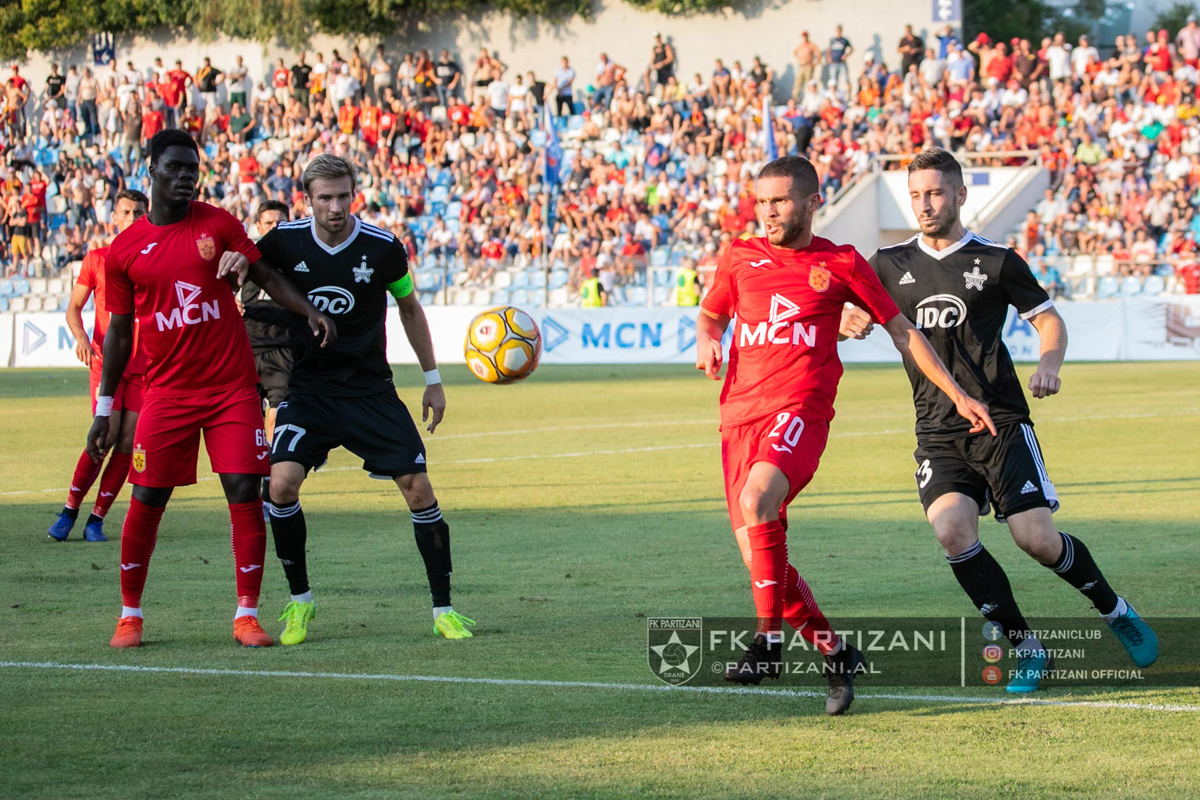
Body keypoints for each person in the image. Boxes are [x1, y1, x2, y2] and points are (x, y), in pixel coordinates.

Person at [694, 155, 995, 715]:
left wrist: (957, 394)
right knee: (762, 560)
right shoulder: (738, 256)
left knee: (758, 501)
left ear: (812, 203)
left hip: (799, 409)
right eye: (761, 202)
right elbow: (712, 314)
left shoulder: (841, 262)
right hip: (738, 416)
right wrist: (707, 337)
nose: (768, 212)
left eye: (780, 201)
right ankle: (836, 653)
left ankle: (766, 643)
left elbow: (902, 332)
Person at [854, 149, 1158, 692]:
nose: (925, 204)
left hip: (1002, 423)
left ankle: (1115, 610)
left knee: (1036, 540)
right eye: (916, 195)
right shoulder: (887, 263)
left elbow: (1050, 321)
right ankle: (1027, 649)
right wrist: (850, 320)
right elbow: (853, 312)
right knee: (952, 532)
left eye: (935, 193)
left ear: (960, 195)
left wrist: (1049, 364)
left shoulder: (996, 260)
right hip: (938, 429)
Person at [85, 129, 336, 649]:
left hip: (231, 388)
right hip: (166, 392)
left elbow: (266, 274)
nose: (185, 177)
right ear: (151, 170)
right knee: (147, 496)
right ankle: (129, 615)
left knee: (245, 490)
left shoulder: (218, 223)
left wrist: (309, 309)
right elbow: (119, 333)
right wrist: (105, 407)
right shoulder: (123, 250)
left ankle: (246, 615)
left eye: (192, 169)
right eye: (174, 167)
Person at [256, 154, 471, 646]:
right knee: (281, 485)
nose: (335, 207)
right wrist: (232, 259)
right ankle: (300, 602)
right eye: (325, 198)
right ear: (307, 199)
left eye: (343, 196)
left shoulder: (382, 247)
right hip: (309, 391)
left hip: (370, 389)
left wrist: (433, 379)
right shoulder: (284, 239)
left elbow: (409, 306)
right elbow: (254, 267)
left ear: (355, 194)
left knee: (419, 490)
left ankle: (444, 610)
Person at [49, 190, 150, 543]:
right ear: (115, 218)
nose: (133, 217)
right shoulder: (97, 259)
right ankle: (69, 510)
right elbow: (73, 308)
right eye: (127, 212)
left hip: (144, 368)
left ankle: (97, 518)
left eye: (139, 212)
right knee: (105, 435)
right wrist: (80, 336)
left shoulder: (157, 260)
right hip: (106, 365)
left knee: (128, 442)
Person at [239, 200, 293, 456]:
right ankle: (252, 466)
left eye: (280, 222)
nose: (274, 227)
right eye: (269, 222)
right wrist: (230, 302)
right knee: (246, 419)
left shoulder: (300, 261)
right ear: (258, 226)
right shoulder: (242, 259)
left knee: (277, 415)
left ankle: (272, 467)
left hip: (282, 350)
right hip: (247, 349)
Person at [792, 32, 821, 100]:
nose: (804, 38)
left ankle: (809, 98)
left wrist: (815, 63)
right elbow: (794, 52)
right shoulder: (800, 45)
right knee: (798, 82)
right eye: (803, 36)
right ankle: (794, 98)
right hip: (801, 66)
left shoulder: (811, 45)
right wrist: (799, 59)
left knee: (809, 83)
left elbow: (819, 54)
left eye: (805, 36)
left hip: (808, 66)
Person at [827, 25, 853, 90]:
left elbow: (851, 49)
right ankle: (834, 93)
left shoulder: (844, 40)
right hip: (834, 63)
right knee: (833, 81)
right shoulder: (832, 40)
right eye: (837, 31)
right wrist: (829, 57)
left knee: (846, 79)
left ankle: (849, 93)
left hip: (842, 63)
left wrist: (846, 55)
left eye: (839, 31)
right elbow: (829, 50)